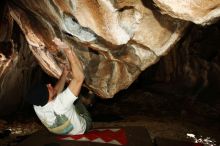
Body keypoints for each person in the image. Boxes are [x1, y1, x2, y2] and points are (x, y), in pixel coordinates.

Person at [26, 38, 92, 135]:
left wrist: (64, 73)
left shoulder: (37, 105)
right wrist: (67, 50)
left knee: (67, 96)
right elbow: (79, 78)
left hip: (61, 131)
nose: (49, 84)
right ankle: (89, 98)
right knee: (76, 100)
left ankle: (73, 102)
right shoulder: (60, 104)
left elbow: (55, 91)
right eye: (47, 87)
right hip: (81, 129)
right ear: (46, 97)